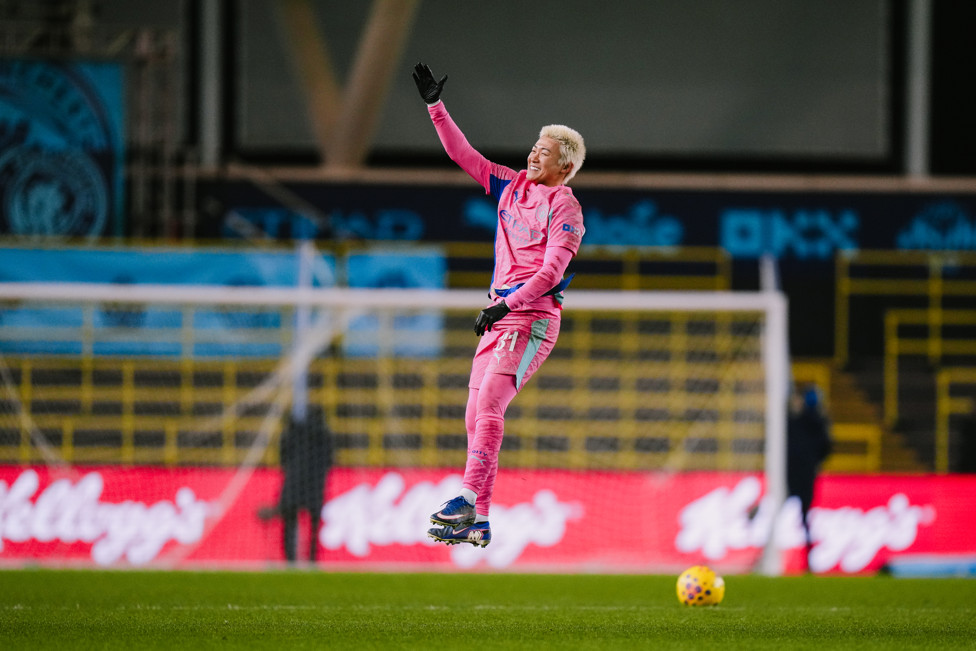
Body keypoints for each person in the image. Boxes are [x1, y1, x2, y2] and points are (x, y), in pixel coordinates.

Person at [412, 62, 586, 548]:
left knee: (489, 403)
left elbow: (550, 274)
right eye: (535, 145)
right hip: (500, 316)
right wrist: (435, 106)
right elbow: (461, 153)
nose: (534, 153)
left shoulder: (564, 206)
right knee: (474, 416)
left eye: (545, 152)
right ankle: (480, 520)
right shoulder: (509, 186)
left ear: (564, 167)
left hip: (529, 321)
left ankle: (467, 498)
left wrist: (506, 304)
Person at [276, 404, 333, 564]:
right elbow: (330, 460)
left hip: (293, 483)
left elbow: (282, 457)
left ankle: (290, 559)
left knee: (289, 521)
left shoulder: (291, 432)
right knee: (314, 524)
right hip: (315, 485)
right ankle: (312, 559)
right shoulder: (325, 434)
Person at [786, 384, 832, 571]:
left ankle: (755, 518)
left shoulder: (794, 421)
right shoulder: (820, 423)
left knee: (778, 503)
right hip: (808, 473)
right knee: (805, 516)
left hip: (789, 471)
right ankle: (809, 559)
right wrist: (815, 461)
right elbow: (826, 447)